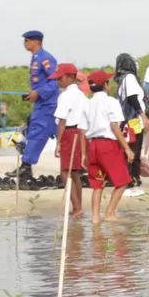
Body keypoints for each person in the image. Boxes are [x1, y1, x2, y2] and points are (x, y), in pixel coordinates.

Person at [82, 71, 134, 223]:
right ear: (105, 85)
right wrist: (127, 148)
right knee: (123, 180)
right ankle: (110, 213)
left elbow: (82, 130)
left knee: (98, 185)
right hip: (108, 145)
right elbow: (115, 126)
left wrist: (84, 153)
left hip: (93, 145)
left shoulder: (88, 103)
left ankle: (96, 218)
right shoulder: (111, 102)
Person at [18, 29, 59, 183]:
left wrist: (39, 92)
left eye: (27, 40)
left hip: (49, 104)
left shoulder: (46, 59)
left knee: (38, 134)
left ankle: (26, 166)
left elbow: (54, 81)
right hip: (42, 103)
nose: (25, 43)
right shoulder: (35, 58)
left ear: (37, 42)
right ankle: (26, 166)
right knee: (36, 133)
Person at [52, 62, 89, 213]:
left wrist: (58, 143)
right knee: (74, 172)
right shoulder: (82, 95)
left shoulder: (65, 96)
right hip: (81, 133)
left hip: (69, 133)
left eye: (60, 78)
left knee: (65, 172)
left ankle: (77, 208)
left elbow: (62, 120)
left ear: (70, 78)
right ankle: (78, 205)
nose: (58, 81)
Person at [114, 53, 148, 192]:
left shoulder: (122, 79)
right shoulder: (130, 78)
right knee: (134, 150)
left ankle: (133, 177)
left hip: (126, 120)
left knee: (131, 149)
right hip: (133, 120)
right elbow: (133, 98)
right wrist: (144, 116)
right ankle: (131, 178)